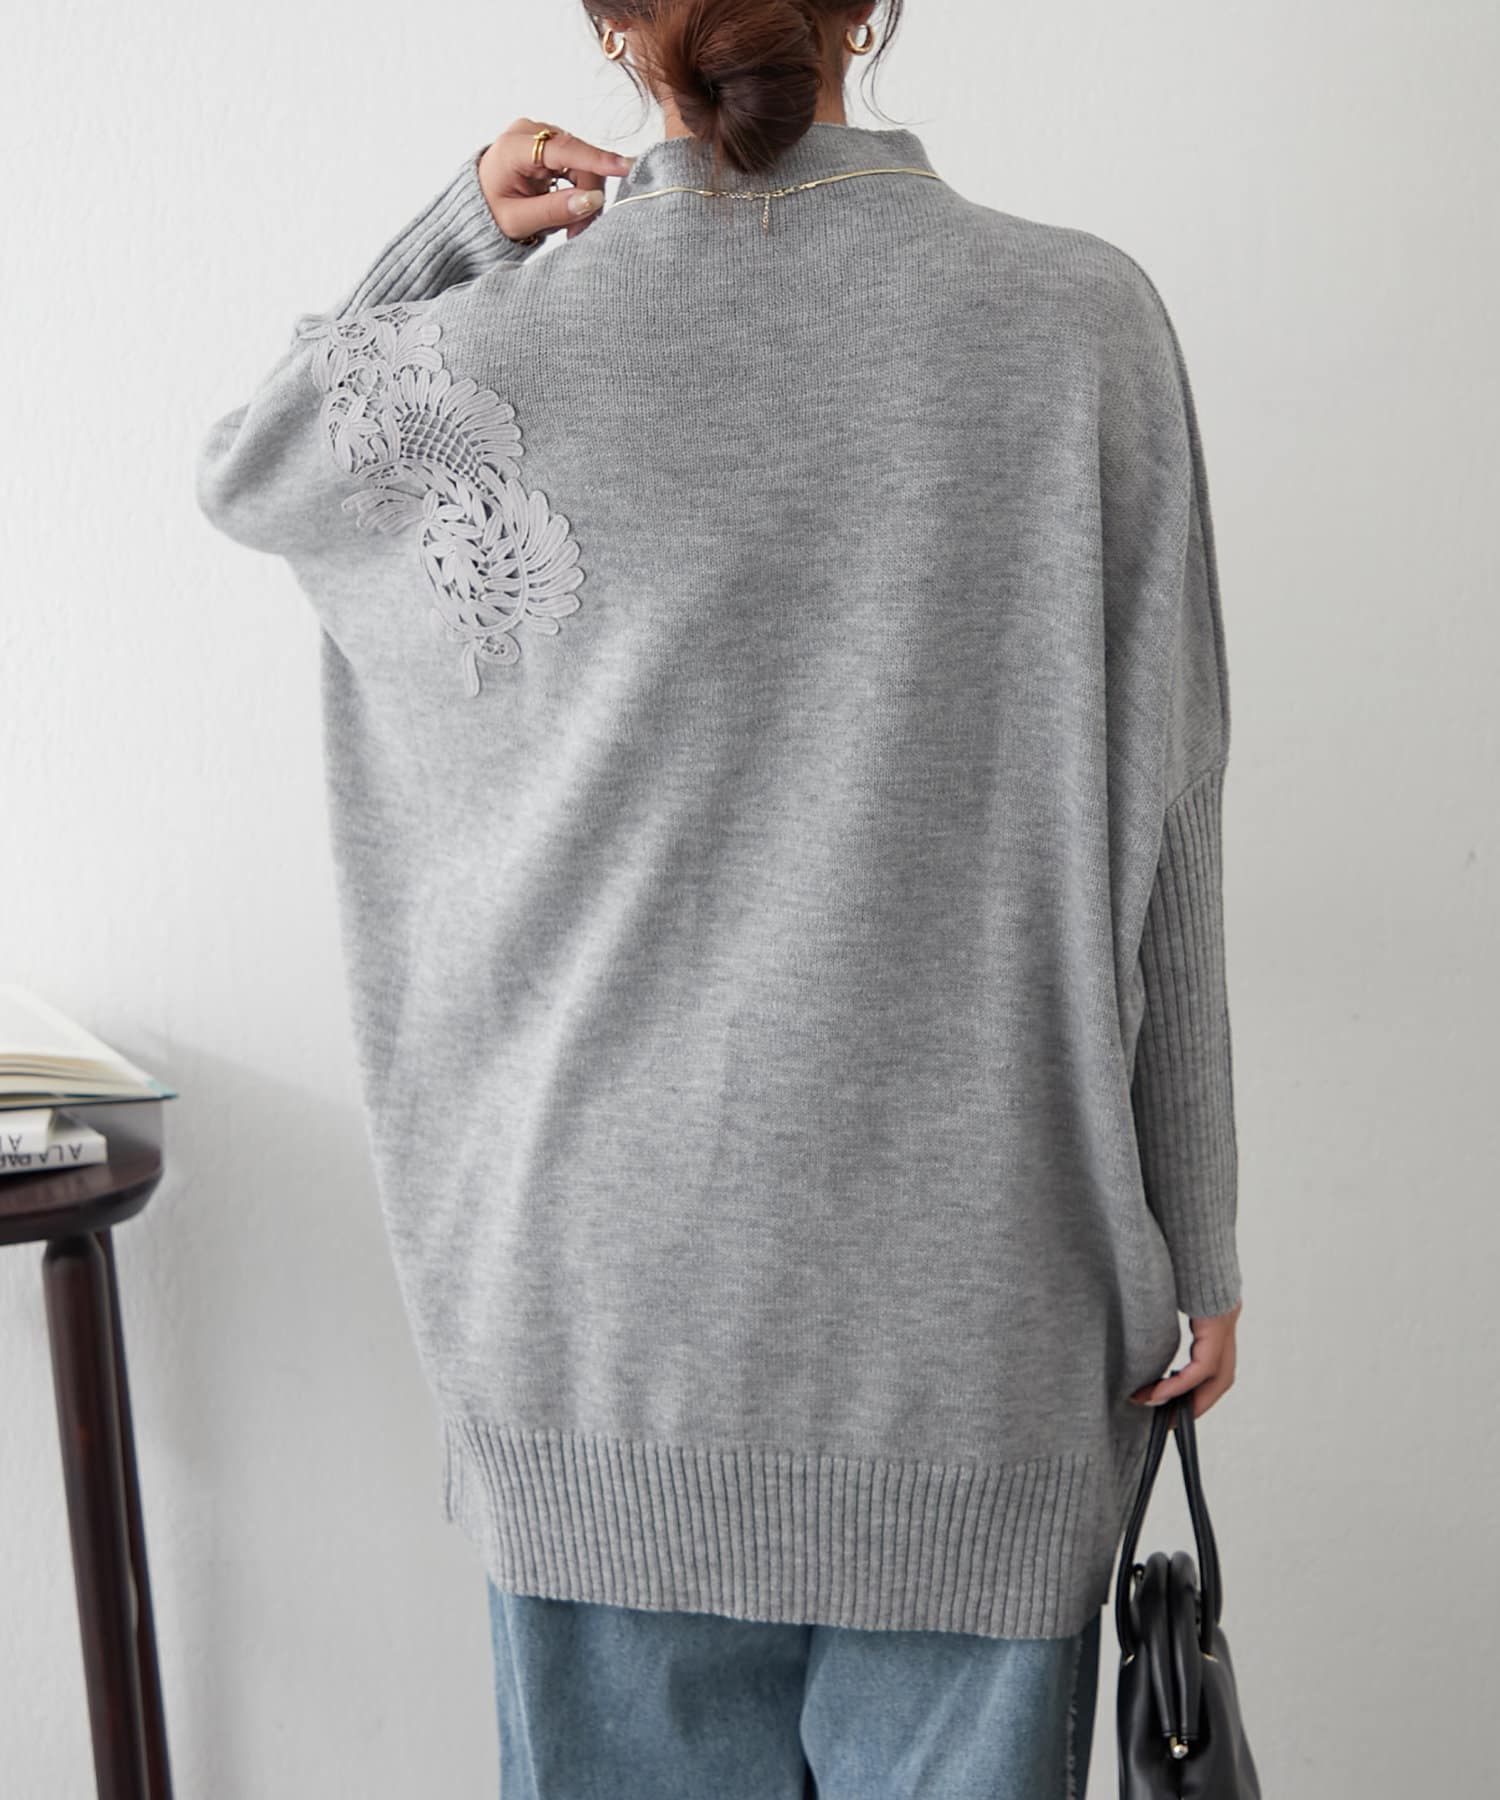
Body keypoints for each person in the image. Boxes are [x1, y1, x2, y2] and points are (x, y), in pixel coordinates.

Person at [195, 1, 1244, 1793]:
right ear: (869, 8)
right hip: (982, 1321)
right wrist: (1199, 1238)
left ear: (612, 24)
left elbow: (254, 465)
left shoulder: (483, 357)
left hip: (594, 1321)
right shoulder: (1080, 322)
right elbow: (1168, 809)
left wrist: (454, 228)